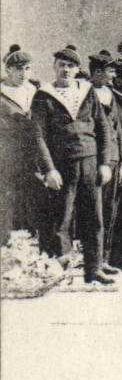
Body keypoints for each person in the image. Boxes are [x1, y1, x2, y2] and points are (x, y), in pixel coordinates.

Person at [32, 45, 115, 284]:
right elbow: (38, 136)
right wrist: (49, 169)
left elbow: (102, 128)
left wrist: (105, 163)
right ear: (54, 67)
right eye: (61, 65)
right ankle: (62, 268)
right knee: (62, 219)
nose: (65, 70)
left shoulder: (87, 91)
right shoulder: (44, 95)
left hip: (90, 162)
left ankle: (94, 269)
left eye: (70, 66)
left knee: (94, 217)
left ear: (77, 69)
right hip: (62, 165)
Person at [88, 52, 122, 276]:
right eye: (110, 71)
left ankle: (105, 258)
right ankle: (93, 261)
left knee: (110, 212)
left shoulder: (113, 97)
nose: (113, 76)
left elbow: (119, 133)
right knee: (94, 214)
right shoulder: (86, 94)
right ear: (97, 72)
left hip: (116, 160)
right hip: (97, 160)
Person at [1, 45, 49, 244]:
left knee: (36, 200)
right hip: (8, 158)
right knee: (7, 200)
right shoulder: (2, 93)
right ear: (8, 70)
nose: (23, 74)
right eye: (18, 69)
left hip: (34, 157)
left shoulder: (36, 92)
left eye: (27, 69)